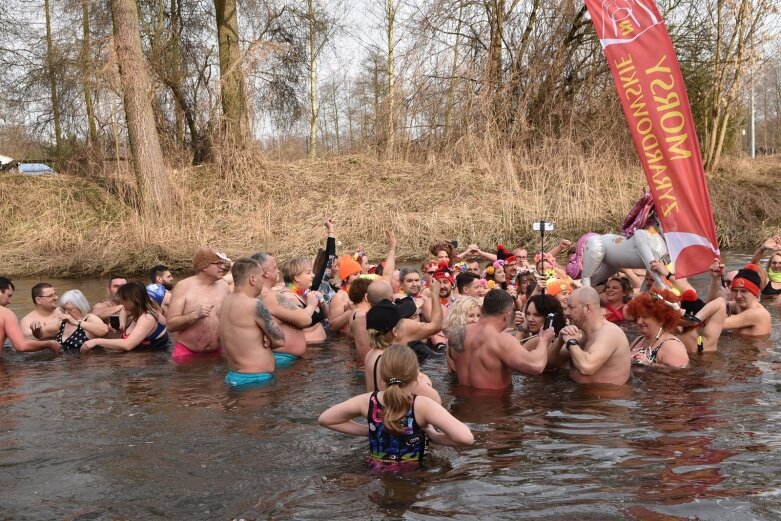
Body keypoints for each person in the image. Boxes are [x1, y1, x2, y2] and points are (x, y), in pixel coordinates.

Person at [319, 344, 474, 469]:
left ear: (382, 374)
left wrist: (370, 431)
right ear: (416, 375)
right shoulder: (422, 405)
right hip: (413, 475)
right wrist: (435, 436)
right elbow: (466, 438)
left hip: (375, 469)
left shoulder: (368, 401)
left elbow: (325, 419)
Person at [449, 289, 549, 390]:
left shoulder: (455, 334)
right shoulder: (502, 340)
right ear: (507, 315)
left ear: (482, 309)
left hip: (462, 403)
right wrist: (544, 339)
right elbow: (536, 366)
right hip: (493, 404)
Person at [219, 258, 286, 387]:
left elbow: (243, 336)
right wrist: (266, 335)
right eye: (261, 276)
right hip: (255, 379)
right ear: (252, 279)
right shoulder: (254, 304)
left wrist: (262, 334)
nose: (263, 280)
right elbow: (280, 340)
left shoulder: (226, 301)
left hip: (234, 375)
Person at [363, 299, 441, 403]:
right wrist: (426, 381)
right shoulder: (393, 359)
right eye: (402, 323)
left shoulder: (370, 354)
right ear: (395, 331)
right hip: (398, 417)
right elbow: (433, 397)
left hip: (379, 416)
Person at [548, 287, 631, 385]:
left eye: (571, 307)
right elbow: (548, 365)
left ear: (587, 308)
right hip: (579, 395)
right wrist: (560, 340)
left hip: (604, 398)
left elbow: (587, 367)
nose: (566, 313)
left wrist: (571, 342)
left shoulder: (609, 332)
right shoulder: (580, 334)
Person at [253, 252, 322, 366]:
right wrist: (311, 304)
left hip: (286, 359)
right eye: (275, 267)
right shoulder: (271, 296)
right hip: (282, 360)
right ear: (265, 273)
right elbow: (305, 320)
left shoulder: (266, 295)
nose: (278, 271)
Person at [354, 279, 444, 366]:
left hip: (371, 370)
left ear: (366, 297)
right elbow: (436, 326)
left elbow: (362, 362)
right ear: (392, 298)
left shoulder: (358, 321)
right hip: (398, 372)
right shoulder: (402, 325)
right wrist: (435, 295)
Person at [166, 247, 230, 359]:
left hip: (219, 351)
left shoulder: (224, 286)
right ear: (204, 266)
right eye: (218, 264)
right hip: (187, 353)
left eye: (223, 263)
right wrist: (195, 315)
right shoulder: (183, 287)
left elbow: (230, 320)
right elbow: (171, 325)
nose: (223, 267)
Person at [82, 282, 169, 352]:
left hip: (152, 363)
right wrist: (122, 325)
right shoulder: (135, 310)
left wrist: (97, 341)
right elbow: (123, 310)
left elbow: (128, 345)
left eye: (123, 299)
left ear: (134, 300)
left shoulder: (147, 318)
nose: (121, 303)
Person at [625, 290, 689, 369]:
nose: (639, 321)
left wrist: (650, 365)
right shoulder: (638, 340)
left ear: (661, 319)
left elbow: (679, 375)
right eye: (638, 316)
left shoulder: (672, 346)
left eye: (645, 317)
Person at [0, 278, 60, 356]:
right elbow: (21, 346)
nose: (10, 301)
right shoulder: (6, 314)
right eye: (9, 295)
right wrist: (49, 344)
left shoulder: (62, 310)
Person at [32, 290, 109, 351]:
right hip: (65, 366)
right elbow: (41, 335)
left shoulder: (90, 318)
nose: (66, 313)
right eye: (64, 309)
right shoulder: (62, 322)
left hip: (86, 366)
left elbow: (104, 331)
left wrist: (76, 322)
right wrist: (36, 328)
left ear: (80, 306)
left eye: (69, 309)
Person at [713, 263, 772, 336]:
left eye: (744, 291)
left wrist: (722, 300)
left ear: (755, 293)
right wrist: (715, 279)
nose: (738, 296)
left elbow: (714, 325)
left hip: (751, 346)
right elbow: (710, 305)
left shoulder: (757, 313)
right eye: (735, 291)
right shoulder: (738, 305)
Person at [279, 256, 328, 343]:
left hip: (323, 347)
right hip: (309, 350)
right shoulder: (288, 297)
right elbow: (301, 321)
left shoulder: (305, 292)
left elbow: (328, 316)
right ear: (297, 277)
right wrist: (311, 305)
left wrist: (323, 302)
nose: (313, 275)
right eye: (309, 273)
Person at [443, 296, 481, 372]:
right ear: (459, 317)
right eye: (471, 316)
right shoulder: (456, 341)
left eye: (479, 315)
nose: (476, 320)